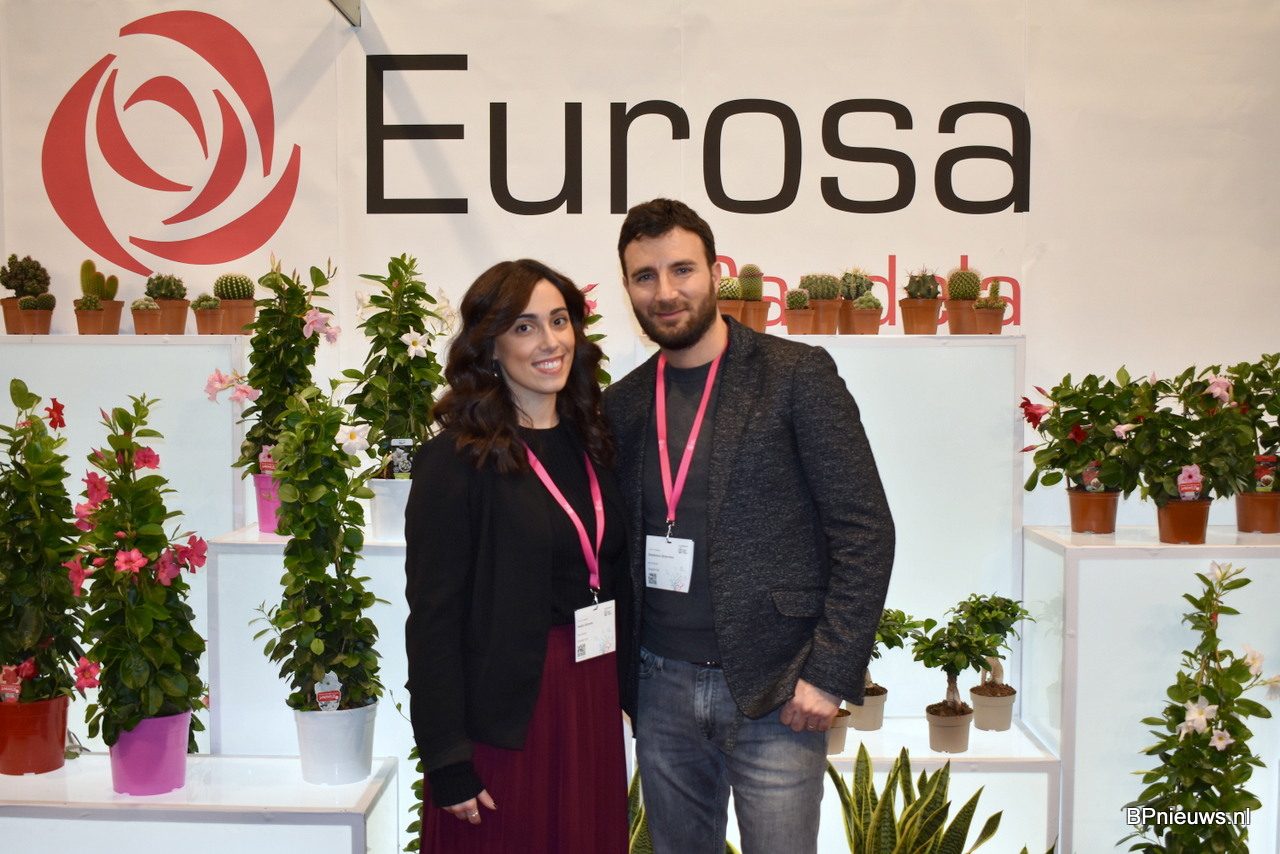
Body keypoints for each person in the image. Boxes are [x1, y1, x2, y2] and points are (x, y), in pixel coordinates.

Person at [603, 199, 896, 854]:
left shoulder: (795, 375)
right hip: (659, 688)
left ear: (716, 272)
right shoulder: (620, 405)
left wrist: (829, 673)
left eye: (682, 269)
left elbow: (865, 530)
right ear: (628, 287)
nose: (665, 291)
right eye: (645, 276)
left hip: (779, 690)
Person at [404, 258, 629, 854]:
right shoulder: (455, 460)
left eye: (559, 320)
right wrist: (446, 757)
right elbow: (432, 620)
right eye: (525, 327)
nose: (550, 341)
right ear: (491, 346)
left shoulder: (594, 441)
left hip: (591, 691)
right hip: (508, 714)